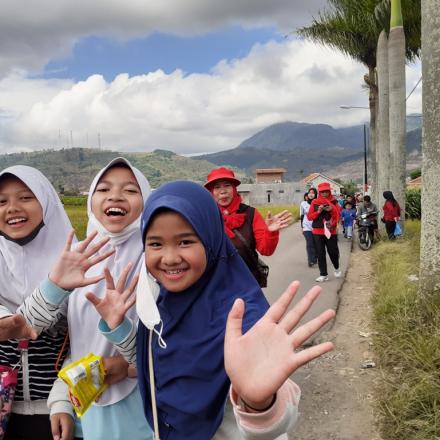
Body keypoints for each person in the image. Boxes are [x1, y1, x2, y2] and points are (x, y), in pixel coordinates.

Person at [89, 180, 336, 440]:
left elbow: (280, 417)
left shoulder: (242, 315)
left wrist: (260, 404)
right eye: (156, 244)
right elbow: (160, 361)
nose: (170, 258)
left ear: (211, 239)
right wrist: (119, 328)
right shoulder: (159, 299)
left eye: (185, 242)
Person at [18, 158, 153, 440]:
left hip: (142, 405)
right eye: (103, 189)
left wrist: (130, 368)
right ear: (92, 199)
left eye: (130, 190)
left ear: (147, 200)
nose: (115, 196)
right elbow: (74, 342)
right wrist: (62, 400)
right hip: (87, 404)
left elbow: (172, 348)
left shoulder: (154, 259)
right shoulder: (80, 257)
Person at [0, 166, 73, 440]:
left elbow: (85, 342)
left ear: (47, 201)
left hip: (59, 413)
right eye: (2, 201)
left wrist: (63, 399)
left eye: (26, 197)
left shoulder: (76, 260)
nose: (12, 208)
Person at [204, 167, 292, 287]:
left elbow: (266, 250)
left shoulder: (251, 214)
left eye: (227, 185)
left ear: (234, 189)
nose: (222, 191)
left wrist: (270, 233)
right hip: (216, 284)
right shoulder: (206, 217)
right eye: (217, 187)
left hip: (248, 283)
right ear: (211, 192)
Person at [307, 182, 341, 282]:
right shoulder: (315, 202)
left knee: (333, 252)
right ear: (319, 192)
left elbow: (338, 215)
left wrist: (332, 209)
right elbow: (309, 217)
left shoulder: (334, 202)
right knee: (320, 253)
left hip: (331, 231)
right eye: (322, 192)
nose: (324, 194)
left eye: (326, 191)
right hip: (317, 232)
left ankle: (337, 267)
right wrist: (318, 211)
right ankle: (323, 274)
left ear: (329, 191)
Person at [300, 188, 318, 267]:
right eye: (309, 193)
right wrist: (302, 227)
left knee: (316, 244)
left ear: (315, 194)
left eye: (313, 193)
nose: (311, 194)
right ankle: (310, 260)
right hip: (306, 227)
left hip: (316, 226)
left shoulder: (318, 203)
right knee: (309, 243)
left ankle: (315, 257)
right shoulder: (303, 204)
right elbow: (302, 215)